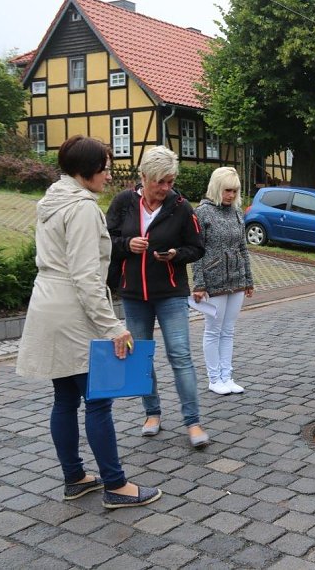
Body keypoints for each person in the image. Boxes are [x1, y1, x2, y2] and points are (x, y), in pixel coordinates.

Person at [16, 135, 162, 509]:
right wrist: (113, 326)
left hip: (48, 302)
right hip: (73, 310)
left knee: (65, 398)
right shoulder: (81, 208)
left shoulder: (51, 201)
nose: (109, 175)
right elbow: (85, 276)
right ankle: (116, 485)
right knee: (98, 401)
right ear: (87, 171)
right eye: (105, 167)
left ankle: (75, 478)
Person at [106, 146, 209, 448]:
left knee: (180, 356)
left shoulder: (181, 206)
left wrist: (176, 255)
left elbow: (198, 247)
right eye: (159, 182)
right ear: (143, 177)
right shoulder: (123, 203)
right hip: (134, 294)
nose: (166, 188)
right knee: (141, 355)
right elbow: (105, 240)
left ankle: (193, 422)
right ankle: (152, 413)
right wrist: (127, 244)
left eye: (170, 181)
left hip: (171, 294)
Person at [191, 167, 253, 395]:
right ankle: (214, 378)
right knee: (213, 330)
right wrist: (199, 284)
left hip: (236, 278)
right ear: (217, 188)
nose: (231, 195)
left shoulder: (237, 213)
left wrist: (248, 279)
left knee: (228, 330)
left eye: (235, 191)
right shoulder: (202, 213)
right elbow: (197, 252)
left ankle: (227, 376)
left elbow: (243, 248)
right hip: (213, 279)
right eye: (228, 190)